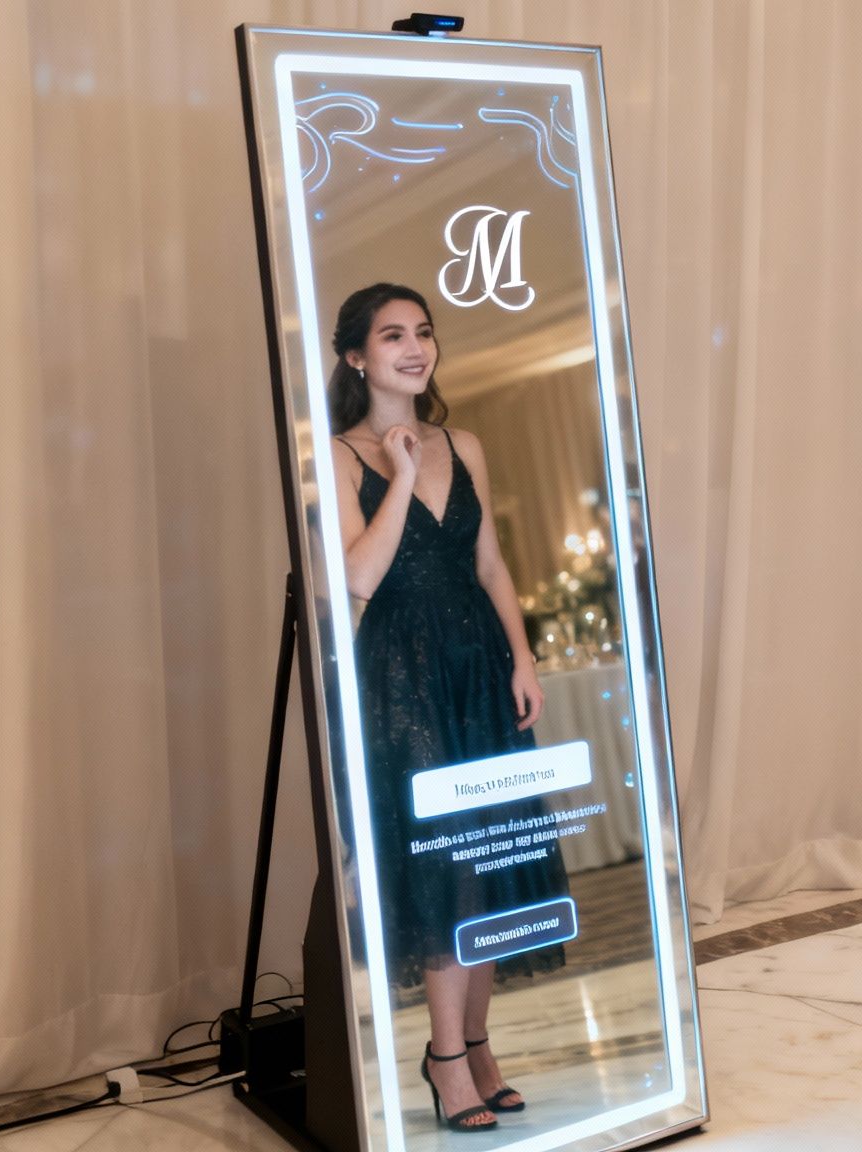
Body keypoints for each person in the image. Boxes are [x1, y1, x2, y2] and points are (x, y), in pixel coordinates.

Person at [326, 282, 570, 1133]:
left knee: (495, 857)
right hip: (402, 674)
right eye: (392, 336)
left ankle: (477, 1042)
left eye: (423, 332)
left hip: (479, 665)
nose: (414, 348)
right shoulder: (340, 454)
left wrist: (525, 657)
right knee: (446, 866)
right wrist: (396, 472)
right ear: (357, 356)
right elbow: (359, 578)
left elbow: (493, 565)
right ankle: (444, 1057)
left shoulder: (463, 442)